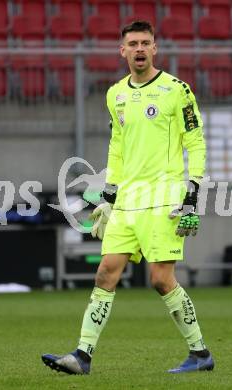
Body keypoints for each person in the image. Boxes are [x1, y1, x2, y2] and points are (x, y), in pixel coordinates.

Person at [41, 20, 214, 375]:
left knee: (161, 279)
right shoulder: (115, 94)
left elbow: (195, 142)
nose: (138, 48)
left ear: (155, 49)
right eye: (132, 43)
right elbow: (117, 145)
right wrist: (108, 192)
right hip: (127, 202)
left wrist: (192, 193)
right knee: (106, 272)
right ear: (122, 51)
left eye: (145, 43)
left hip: (164, 198)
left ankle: (200, 353)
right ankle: (82, 356)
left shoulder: (177, 90)